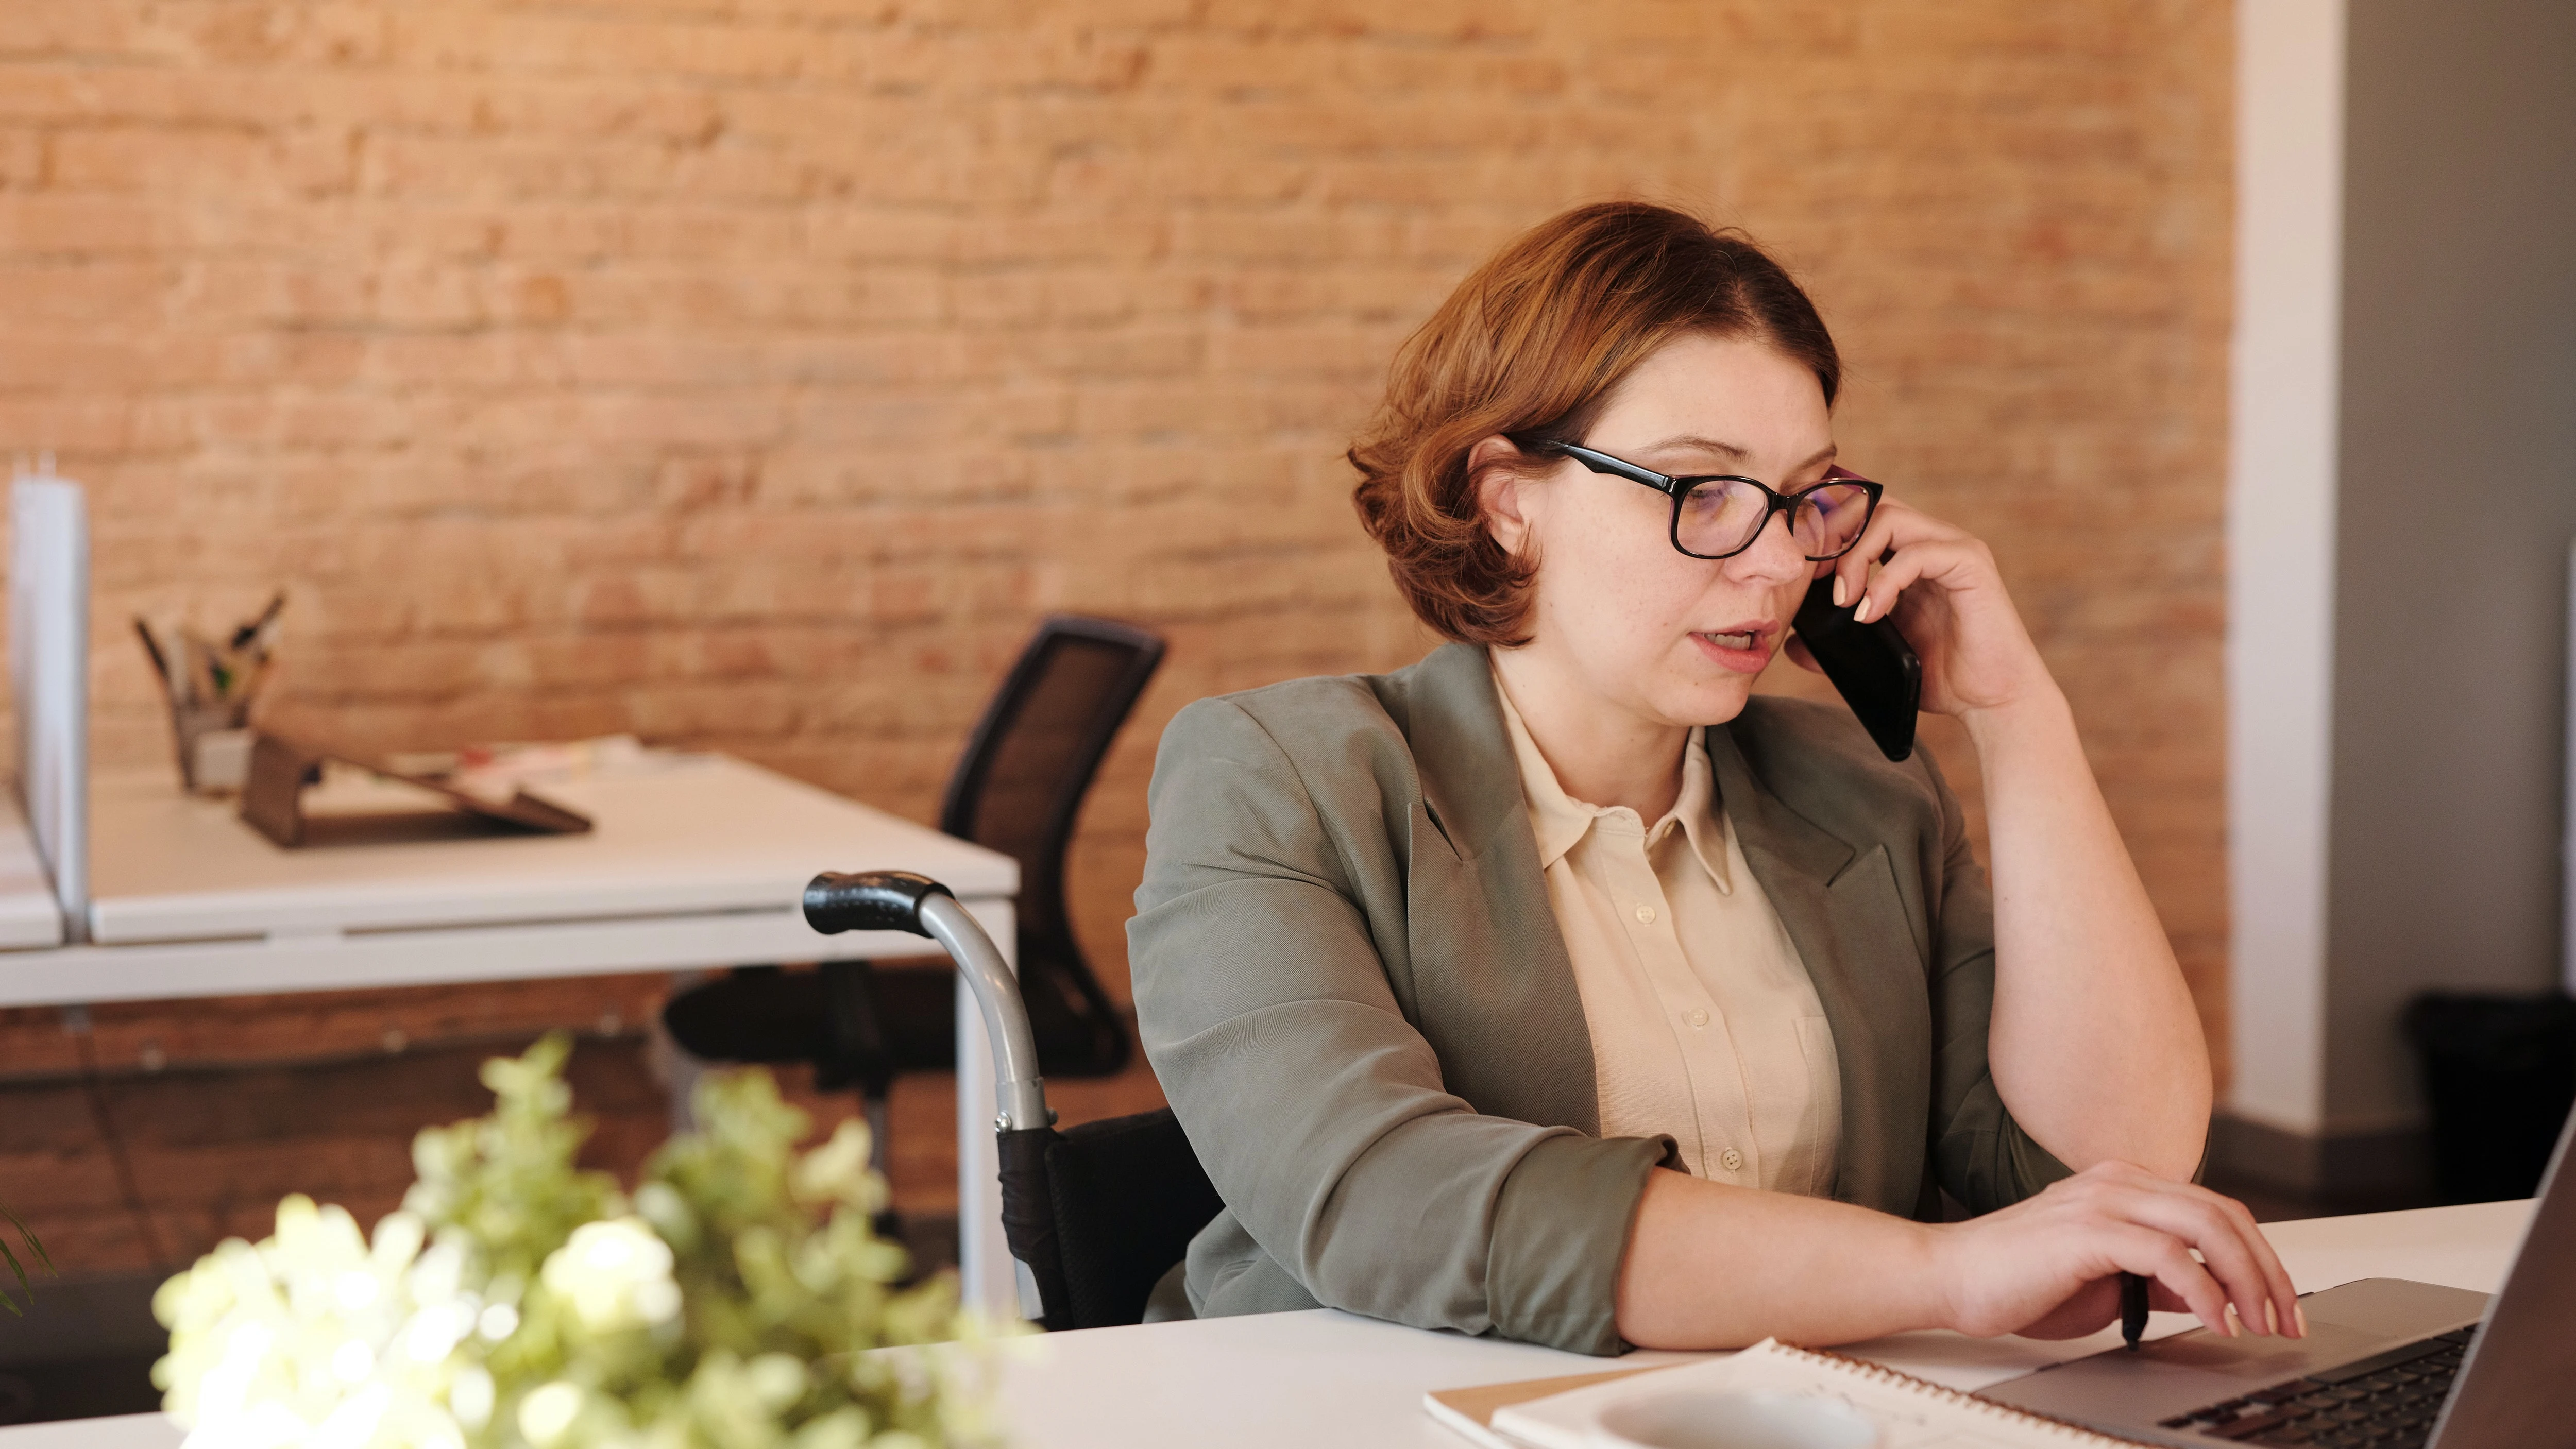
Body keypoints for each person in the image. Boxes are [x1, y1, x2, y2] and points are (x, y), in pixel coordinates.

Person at [1126, 201, 2297, 1355]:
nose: (1782, 557)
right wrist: (1941, 1271)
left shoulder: (1860, 789)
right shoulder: (1278, 775)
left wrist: (2015, 714)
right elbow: (1378, 1192)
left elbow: (2112, 1167)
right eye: (1704, 490)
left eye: (1804, 495)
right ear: (1508, 499)